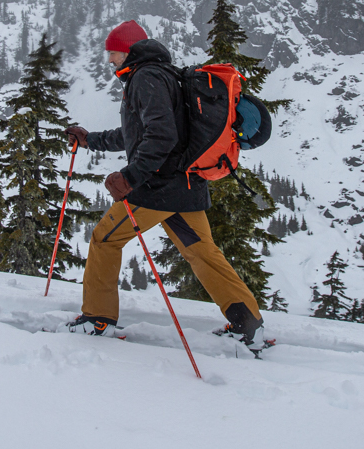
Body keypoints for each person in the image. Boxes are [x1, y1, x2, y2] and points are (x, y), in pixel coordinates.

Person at [64, 19, 265, 347]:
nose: (110, 61)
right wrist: (91, 141)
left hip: (157, 189)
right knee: (201, 251)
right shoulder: (162, 75)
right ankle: (249, 323)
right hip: (186, 186)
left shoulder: (146, 78)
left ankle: (97, 320)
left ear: (129, 51)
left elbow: (161, 136)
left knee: (104, 240)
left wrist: (130, 177)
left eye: (113, 54)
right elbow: (135, 134)